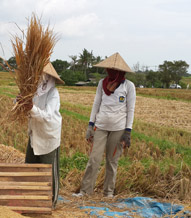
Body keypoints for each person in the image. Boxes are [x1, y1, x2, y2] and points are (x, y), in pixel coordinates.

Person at [73, 52, 136, 198]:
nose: (111, 72)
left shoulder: (129, 86)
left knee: (112, 161)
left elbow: (130, 109)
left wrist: (128, 131)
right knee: (94, 159)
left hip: (118, 129)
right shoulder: (102, 83)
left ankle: (108, 193)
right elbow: (96, 104)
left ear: (121, 72)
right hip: (100, 126)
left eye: (114, 70)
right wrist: (90, 125)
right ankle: (85, 191)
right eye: (109, 70)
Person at [23, 62, 63, 207]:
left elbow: (47, 116)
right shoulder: (33, 90)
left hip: (48, 135)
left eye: (44, 76)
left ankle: (50, 202)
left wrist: (31, 108)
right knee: (30, 167)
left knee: (49, 170)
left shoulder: (53, 94)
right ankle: (31, 198)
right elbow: (26, 107)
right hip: (35, 133)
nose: (41, 79)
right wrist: (20, 102)